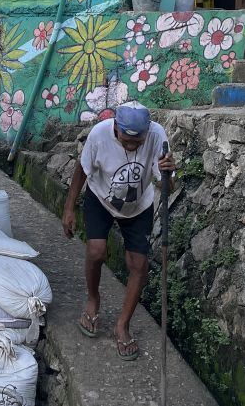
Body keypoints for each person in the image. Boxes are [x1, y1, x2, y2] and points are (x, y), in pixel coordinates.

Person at [61, 105, 175, 361]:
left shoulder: (157, 135)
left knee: (139, 264)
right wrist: (69, 208)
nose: (133, 146)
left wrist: (167, 172)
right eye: (127, 140)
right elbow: (82, 169)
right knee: (96, 250)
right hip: (101, 198)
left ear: (146, 133)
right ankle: (93, 299)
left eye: (138, 141)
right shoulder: (100, 134)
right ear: (116, 128)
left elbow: (168, 184)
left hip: (138, 205)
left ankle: (122, 325)